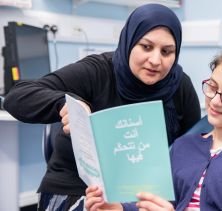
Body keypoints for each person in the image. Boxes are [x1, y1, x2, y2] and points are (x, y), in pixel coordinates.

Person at [3, 3, 201, 211]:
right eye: (146, 46)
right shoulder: (98, 71)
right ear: (130, 41)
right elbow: (16, 96)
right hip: (78, 188)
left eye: (167, 51)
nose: (155, 60)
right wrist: (66, 103)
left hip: (144, 195)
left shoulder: (179, 86)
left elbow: (193, 152)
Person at [85, 45, 222, 211]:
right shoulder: (184, 145)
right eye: (212, 87)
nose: (214, 101)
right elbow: (159, 201)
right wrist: (118, 207)